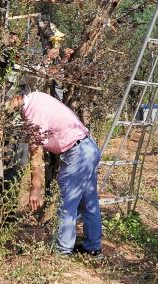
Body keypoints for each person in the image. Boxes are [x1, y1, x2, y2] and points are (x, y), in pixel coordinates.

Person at [12, 86, 103, 257]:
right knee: (88, 203)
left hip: (77, 154)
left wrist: (35, 189)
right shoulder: (36, 98)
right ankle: (93, 248)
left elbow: (36, 153)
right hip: (88, 148)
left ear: (17, 97)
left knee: (66, 206)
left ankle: (62, 253)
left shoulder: (33, 112)